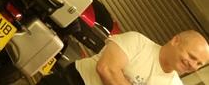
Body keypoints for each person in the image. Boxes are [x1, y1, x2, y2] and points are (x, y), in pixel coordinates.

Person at [44, 30, 209, 85]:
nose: (193, 66)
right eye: (192, 57)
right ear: (175, 41)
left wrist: (120, 76)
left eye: (199, 64)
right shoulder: (138, 42)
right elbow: (106, 69)